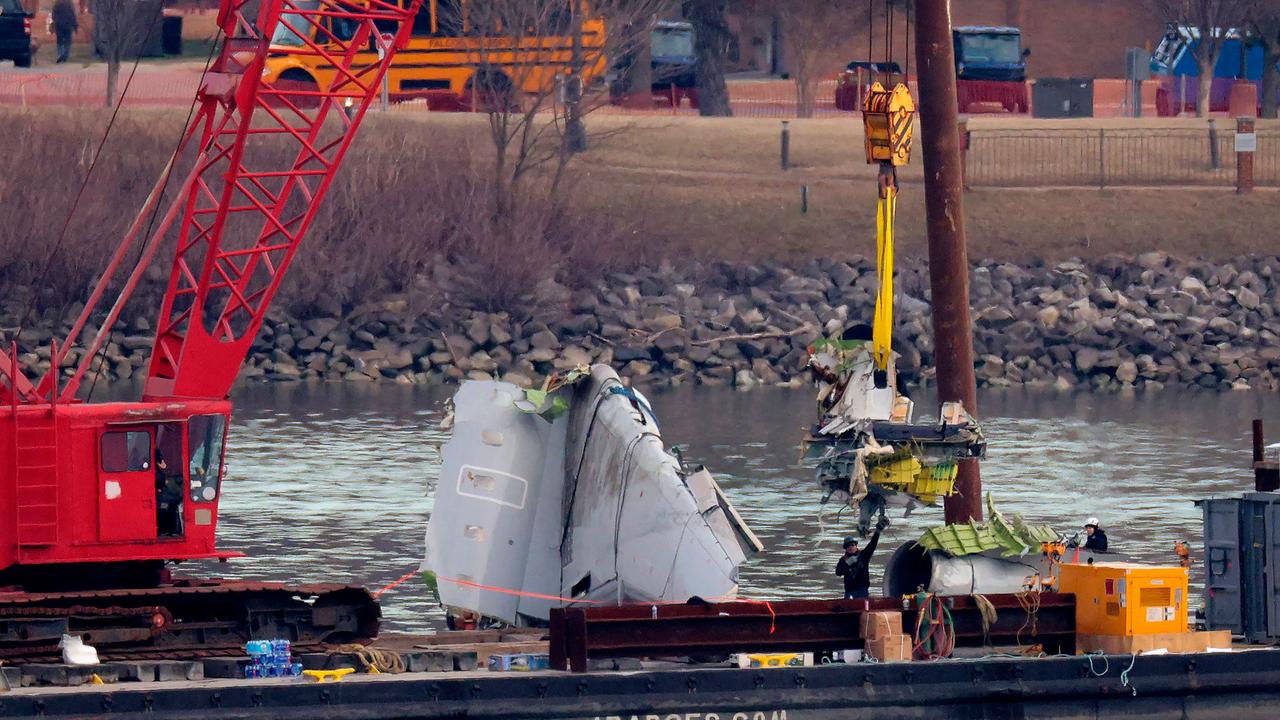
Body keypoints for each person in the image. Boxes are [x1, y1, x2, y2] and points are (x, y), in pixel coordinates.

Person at [835, 527, 881, 599]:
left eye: (852, 545)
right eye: (848, 546)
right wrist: (847, 563)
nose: (850, 547)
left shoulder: (863, 555)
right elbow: (838, 572)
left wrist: (878, 531)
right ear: (846, 548)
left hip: (862, 590)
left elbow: (872, 544)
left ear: (856, 546)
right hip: (849, 591)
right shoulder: (843, 559)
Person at [155, 451, 183, 537]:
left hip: (159, 494)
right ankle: (170, 529)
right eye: (161, 460)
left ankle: (171, 528)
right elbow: (161, 482)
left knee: (173, 500)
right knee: (174, 502)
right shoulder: (157, 473)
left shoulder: (158, 472)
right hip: (158, 496)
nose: (163, 462)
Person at [51, 0, 78, 64]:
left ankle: (60, 55)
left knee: (59, 41)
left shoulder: (57, 3)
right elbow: (73, 15)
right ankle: (64, 56)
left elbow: (53, 14)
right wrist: (75, 26)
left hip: (59, 25)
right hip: (68, 25)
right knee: (68, 41)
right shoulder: (70, 3)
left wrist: (55, 21)